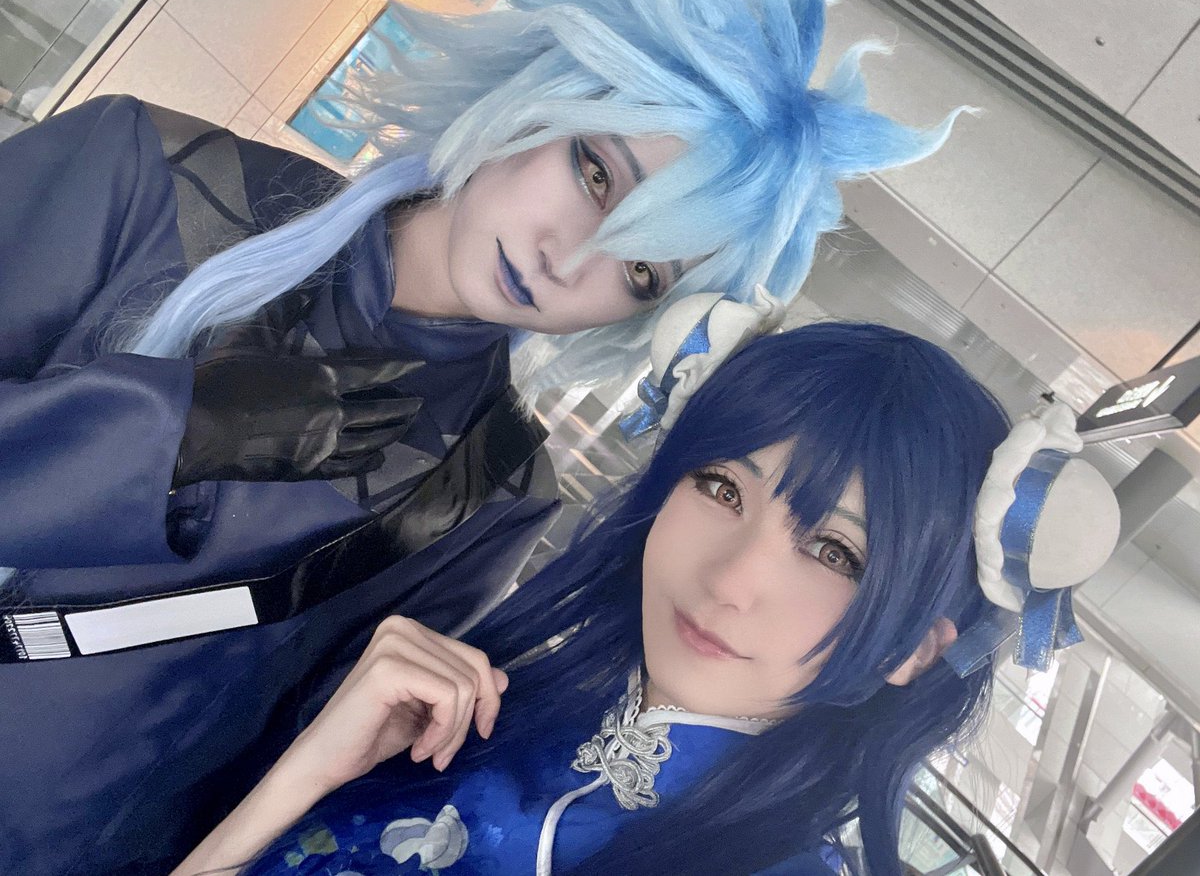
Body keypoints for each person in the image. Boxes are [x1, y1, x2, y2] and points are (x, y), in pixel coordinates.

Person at [0, 0, 964, 871]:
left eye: (641, 272)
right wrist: (170, 433)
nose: (567, 261)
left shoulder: (496, 485)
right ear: (543, 98)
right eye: (597, 173)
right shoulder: (145, 175)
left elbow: (288, 743)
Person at [170, 315, 1020, 876]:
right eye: (722, 487)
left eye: (834, 551)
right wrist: (307, 773)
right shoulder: (482, 717)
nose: (730, 580)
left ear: (915, 648)